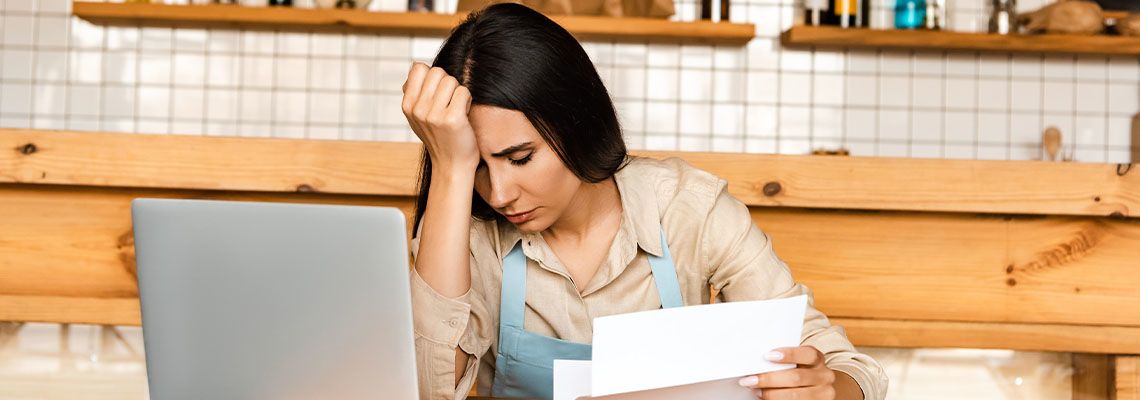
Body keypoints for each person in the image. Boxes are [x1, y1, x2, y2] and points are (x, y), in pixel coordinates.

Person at [401, 3, 887, 400]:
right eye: (478, 166)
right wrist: (449, 171)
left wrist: (829, 389)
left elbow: (850, 368)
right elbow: (425, 389)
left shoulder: (688, 208)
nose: (500, 195)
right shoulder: (461, 228)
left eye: (521, 157)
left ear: (578, 122)